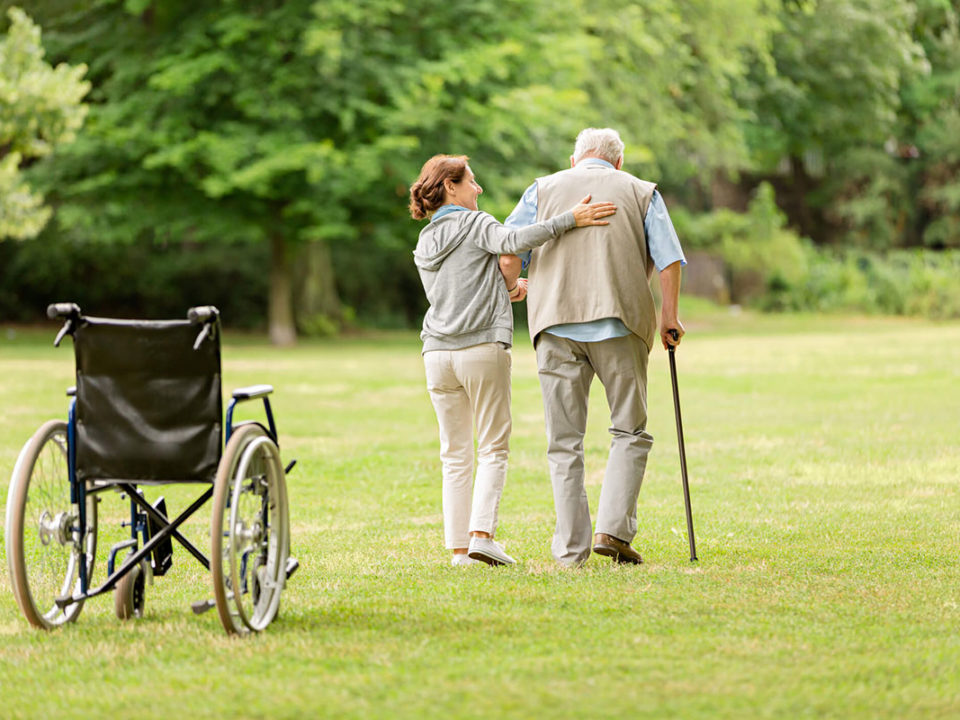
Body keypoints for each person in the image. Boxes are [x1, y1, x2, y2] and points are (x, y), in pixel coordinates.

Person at [409, 153, 616, 567]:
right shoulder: (476, 223)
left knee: (454, 453)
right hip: (481, 349)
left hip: (436, 353)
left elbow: (459, 290)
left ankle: (459, 551)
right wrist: (569, 219)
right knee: (493, 447)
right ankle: (482, 534)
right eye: (471, 181)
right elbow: (515, 242)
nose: (478, 188)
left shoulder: (426, 240)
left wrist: (505, 288)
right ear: (450, 186)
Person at [504, 128, 686, 567]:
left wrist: (514, 286)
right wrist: (669, 317)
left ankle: (570, 552)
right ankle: (612, 531)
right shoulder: (642, 191)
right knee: (629, 430)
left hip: (554, 325)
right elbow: (670, 259)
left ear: (574, 161)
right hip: (620, 323)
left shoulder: (541, 189)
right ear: (618, 163)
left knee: (564, 441)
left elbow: (509, 252)